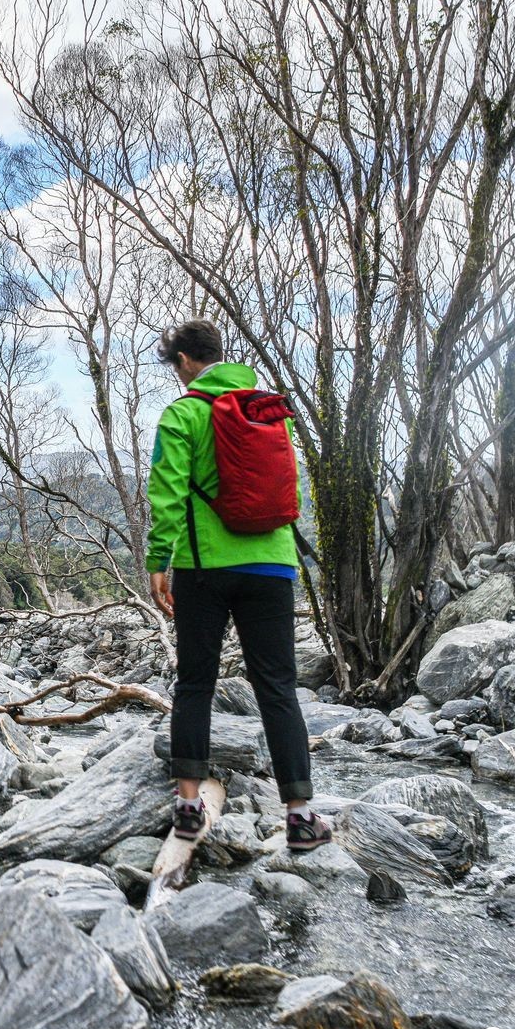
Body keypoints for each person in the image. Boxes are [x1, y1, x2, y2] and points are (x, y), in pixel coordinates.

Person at [147, 319, 332, 852]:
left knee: (196, 682)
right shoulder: (266, 411)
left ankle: (188, 807)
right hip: (273, 565)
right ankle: (299, 816)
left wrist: (161, 560)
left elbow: (167, 493)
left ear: (183, 361)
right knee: (277, 687)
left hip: (206, 568)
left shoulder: (183, 412)